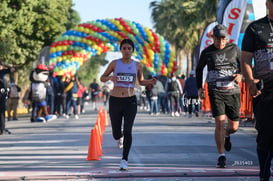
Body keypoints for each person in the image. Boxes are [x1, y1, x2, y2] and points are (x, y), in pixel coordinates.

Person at [100, 38, 156, 171]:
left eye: (129, 49)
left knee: (128, 130)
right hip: (115, 100)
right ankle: (119, 137)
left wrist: (149, 82)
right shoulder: (114, 64)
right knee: (115, 133)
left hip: (130, 101)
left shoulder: (137, 65)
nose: (126, 51)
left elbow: (140, 81)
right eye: (124, 48)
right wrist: (109, 78)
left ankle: (124, 159)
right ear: (121, 50)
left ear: (132, 51)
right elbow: (102, 77)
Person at [196, 24, 242, 168]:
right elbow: (199, 70)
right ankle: (221, 156)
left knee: (234, 126)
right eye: (217, 39)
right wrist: (200, 88)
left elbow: (244, 65)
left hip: (233, 92)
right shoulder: (207, 52)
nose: (220, 42)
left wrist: (240, 75)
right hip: (215, 92)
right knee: (220, 123)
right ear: (213, 38)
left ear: (226, 38)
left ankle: (227, 135)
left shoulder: (234, 49)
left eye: (223, 39)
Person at [241, 1, 273, 180]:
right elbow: (245, 60)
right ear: (268, 3)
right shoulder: (255, 28)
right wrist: (250, 82)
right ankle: (264, 172)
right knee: (265, 136)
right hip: (264, 92)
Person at [0, 63, 15, 134]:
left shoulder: (2, 72)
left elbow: (12, 69)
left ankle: (2, 128)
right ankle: (2, 128)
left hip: (2, 94)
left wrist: (3, 64)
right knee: (1, 111)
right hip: (1, 94)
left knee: (2, 111)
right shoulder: (2, 72)